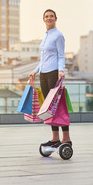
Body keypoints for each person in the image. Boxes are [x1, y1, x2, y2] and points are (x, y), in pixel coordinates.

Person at [29, 9, 72, 148]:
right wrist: (35, 71)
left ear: (55, 18)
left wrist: (61, 70)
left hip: (54, 72)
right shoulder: (47, 36)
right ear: (43, 19)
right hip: (44, 74)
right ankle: (55, 138)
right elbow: (43, 59)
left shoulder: (58, 35)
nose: (49, 18)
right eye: (46, 16)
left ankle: (66, 138)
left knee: (57, 105)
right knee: (48, 107)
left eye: (51, 16)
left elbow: (61, 55)